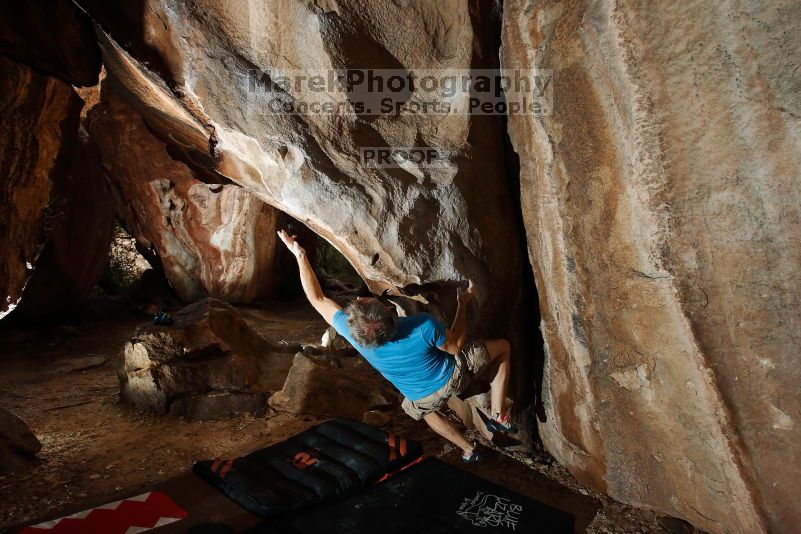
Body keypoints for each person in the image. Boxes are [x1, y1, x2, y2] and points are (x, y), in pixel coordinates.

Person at [277, 229, 516, 462]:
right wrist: (463, 305)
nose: (359, 298)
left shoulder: (355, 336)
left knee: (423, 411)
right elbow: (454, 347)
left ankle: (468, 449)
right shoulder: (422, 325)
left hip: (422, 396)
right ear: (388, 311)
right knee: (502, 347)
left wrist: (299, 255)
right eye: (363, 301)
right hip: (453, 377)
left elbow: (317, 298)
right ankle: (498, 414)